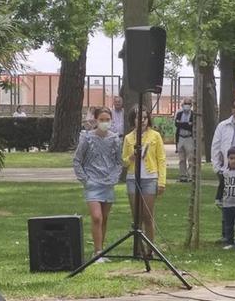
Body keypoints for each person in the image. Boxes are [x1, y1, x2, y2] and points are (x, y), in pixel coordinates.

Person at [73, 107, 122, 262]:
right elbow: (77, 160)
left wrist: (114, 177)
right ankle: (97, 251)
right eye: (101, 119)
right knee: (96, 217)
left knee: (104, 218)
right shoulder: (87, 138)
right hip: (92, 184)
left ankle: (101, 251)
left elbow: (119, 161)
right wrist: (85, 180)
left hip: (108, 183)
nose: (104, 122)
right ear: (95, 120)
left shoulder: (114, 139)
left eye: (107, 119)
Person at [122, 108, 166, 257]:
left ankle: (150, 249)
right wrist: (132, 157)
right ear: (133, 120)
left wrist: (162, 182)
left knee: (148, 215)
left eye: (145, 118)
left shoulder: (155, 136)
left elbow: (161, 159)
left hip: (150, 178)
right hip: (133, 179)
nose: (141, 121)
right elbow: (124, 162)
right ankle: (138, 249)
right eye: (138, 118)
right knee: (136, 216)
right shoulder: (128, 138)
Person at [173, 98, 195, 182]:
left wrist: (181, 124)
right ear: (182, 104)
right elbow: (176, 124)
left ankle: (190, 176)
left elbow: (191, 126)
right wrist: (186, 124)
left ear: (191, 105)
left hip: (189, 138)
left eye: (189, 103)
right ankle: (183, 176)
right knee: (181, 159)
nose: (187, 105)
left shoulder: (193, 115)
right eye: (185, 103)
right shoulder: (179, 114)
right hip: (180, 138)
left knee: (190, 159)